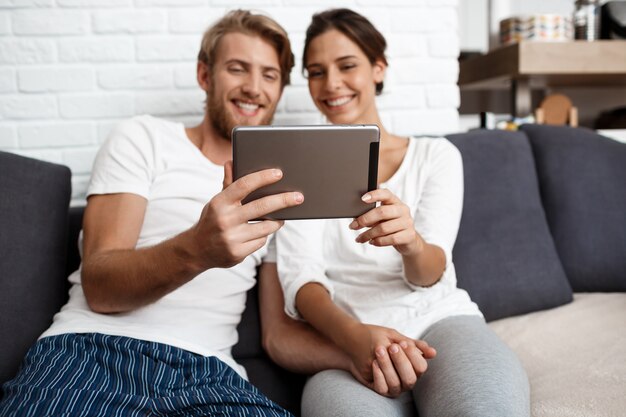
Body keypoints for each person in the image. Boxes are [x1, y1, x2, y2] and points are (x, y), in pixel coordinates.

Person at [0, 10, 304, 417]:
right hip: (93, 352)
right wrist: (199, 247)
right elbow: (101, 286)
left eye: (269, 75)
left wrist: (362, 350)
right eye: (237, 68)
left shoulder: (281, 188)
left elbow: (279, 336)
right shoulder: (142, 138)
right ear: (204, 75)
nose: (253, 88)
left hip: (211, 377)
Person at [261, 8, 531, 417]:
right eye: (316, 72)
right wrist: (356, 340)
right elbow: (303, 281)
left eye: (347, 65)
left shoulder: (434, 156)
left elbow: (429, 272)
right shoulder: (294, 174)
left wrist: (410, 243)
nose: (331, 84)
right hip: (346, 342)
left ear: (378, 69)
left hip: (439, 323)